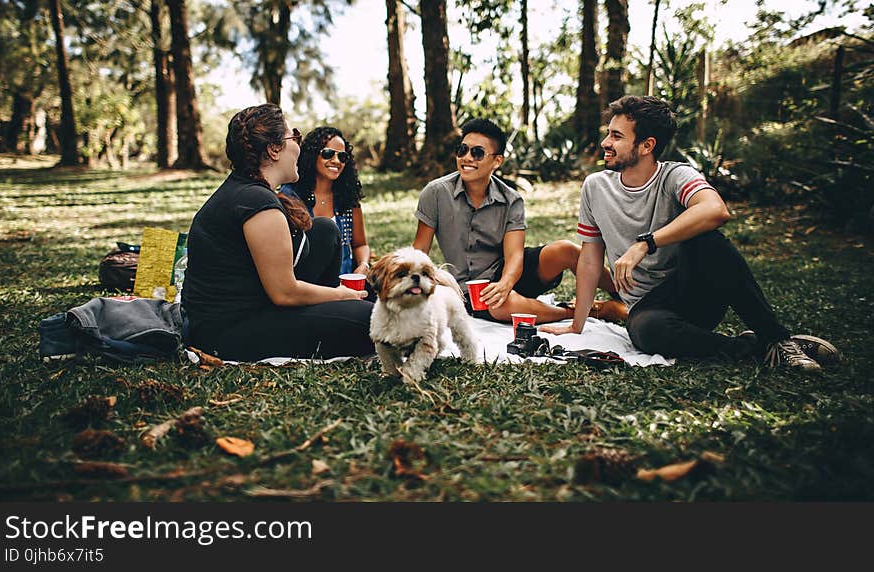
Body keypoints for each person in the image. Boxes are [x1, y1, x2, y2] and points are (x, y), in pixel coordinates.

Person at [541, 95, 839, 372]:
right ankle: (754, 347)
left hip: (694, 293)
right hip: (648, 309)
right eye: (609, 133)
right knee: (646, 332)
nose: (606, 142)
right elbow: (591, 260)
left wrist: (645, 243)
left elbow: (715, 210)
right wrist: (576, 326)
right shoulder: (595, 187)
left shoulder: (676, 175)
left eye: (616, 136)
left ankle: (777, 339)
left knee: (708, 240)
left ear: (647, 145)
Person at [181, 104, 373, 362]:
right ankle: (340, 310)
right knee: (372, 322)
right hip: (230, 330)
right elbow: (284, 293)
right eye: (294, 136)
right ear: (273, 149)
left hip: (256, 302)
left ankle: (335, 310)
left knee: (325, 230)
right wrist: (341, 294)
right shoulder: (256, 203)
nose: (299, 145)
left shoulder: (250, 190)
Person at [412, 117, 626, 324]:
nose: (467, 158)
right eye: (462, 150)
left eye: (477, 153)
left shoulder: (511, 200)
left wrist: (505, 283)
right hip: (469, 289)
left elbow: (515, 256)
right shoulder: (436, 193)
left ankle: (626, 297)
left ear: (497, 161)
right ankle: (588, 311)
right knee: (500, 305)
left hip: (508, 272)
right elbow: (419, 251)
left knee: (566, 250)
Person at [281, 126, 371, 278]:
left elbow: (360, 244)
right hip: (307, 286)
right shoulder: (290, 196)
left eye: (342, 157)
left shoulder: (348, 198)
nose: (336, 161)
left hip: (345, 284)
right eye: (328, 154)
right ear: (312, 155)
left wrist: (363, 265)